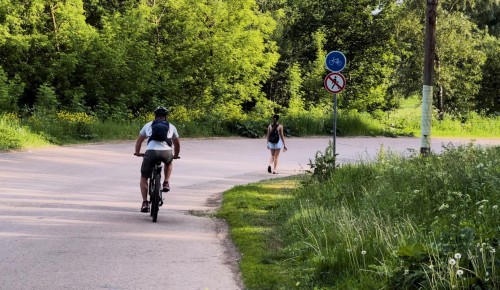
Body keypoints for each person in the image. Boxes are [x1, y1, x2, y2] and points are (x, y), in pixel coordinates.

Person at [134, 106, 180, 213]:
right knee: (168, 163)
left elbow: (139, 142)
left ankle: (145, 203)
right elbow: (177, 144)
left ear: (155, 115)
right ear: (166, 117)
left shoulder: (148, 125)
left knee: (144, 177)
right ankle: (166, 182)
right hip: (166, 153)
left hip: (151, 153)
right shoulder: (171, 126)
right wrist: (175, 155)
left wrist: (137, 153)